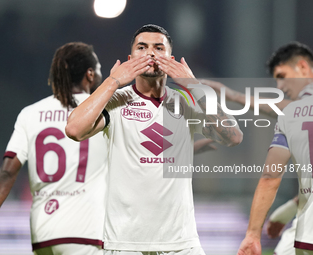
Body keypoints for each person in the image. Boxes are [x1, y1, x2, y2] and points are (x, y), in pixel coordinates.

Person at [66, 24, 243, 255]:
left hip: (181, 244)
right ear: (130, 59)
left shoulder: (187, 103)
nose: (150, 53)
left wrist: (194, 85)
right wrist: (113, 81)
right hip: (125, 244)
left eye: (159, 48)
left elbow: (233, 137)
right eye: (142, 47)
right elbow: (74, 129)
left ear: (171, 59)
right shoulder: (117, 100)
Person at [0, 42, 108, 255]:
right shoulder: (105, 112)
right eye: (99, 69)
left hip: (44, 233)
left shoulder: (30, 113)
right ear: (90, 74)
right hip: (86, 231)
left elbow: (7, 172)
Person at [237, 42, 313, 255]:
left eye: (282, 75)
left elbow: (271, 176)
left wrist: (252, 234)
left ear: (303, 67)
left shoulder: (290, 115)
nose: (280, 86)